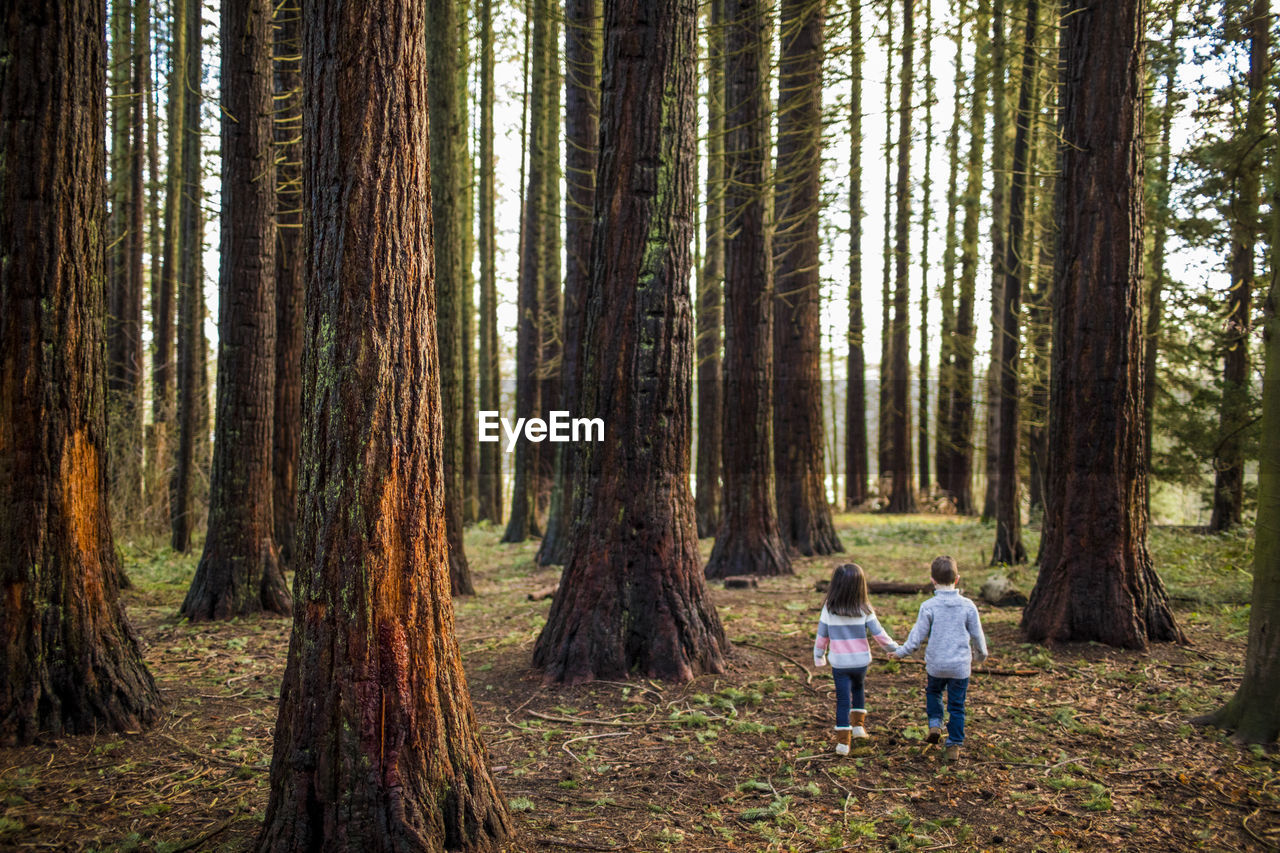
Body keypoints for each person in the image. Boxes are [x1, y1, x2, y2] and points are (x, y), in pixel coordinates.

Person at [893, 555, 989, 761]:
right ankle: (954, 744)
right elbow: (977, 635)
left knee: (934, 691)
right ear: (957, 579)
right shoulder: (968, 605)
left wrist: (901, 652)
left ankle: (935, 724)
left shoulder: (929, 606)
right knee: (957, 705)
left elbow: (916, 638)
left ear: (932, 580)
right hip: (960, 667)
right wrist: (981, 655)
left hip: (936, 665)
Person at [813, 563, 900, 754]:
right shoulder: (865, 608)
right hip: (860, 662)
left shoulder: (829, 608)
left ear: (835, 585)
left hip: (840, 663)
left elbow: (822, 637)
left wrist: (819, 657)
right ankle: (859, 727)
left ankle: (843, 743)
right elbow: (880, 634)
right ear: (860, 586)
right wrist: (895, 649)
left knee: (843, 700)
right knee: (859, 689)